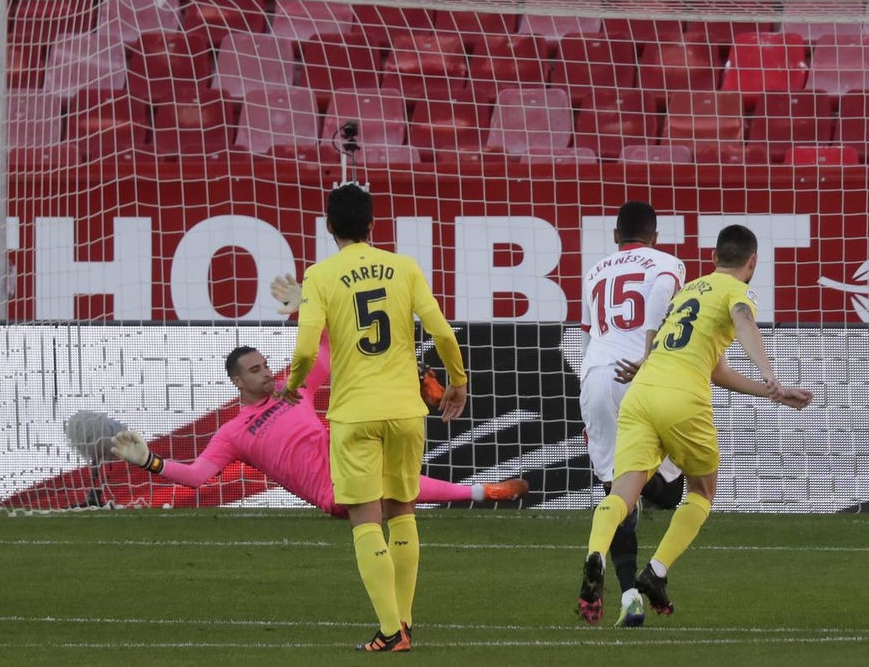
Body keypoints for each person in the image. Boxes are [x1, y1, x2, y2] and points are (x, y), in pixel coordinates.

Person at [109, 278, 526, 520]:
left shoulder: (294, 388)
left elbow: (327, 344)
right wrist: (151, 461)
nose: (267, 373)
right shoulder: (234, 432)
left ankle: (479, 491)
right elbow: (199, 475)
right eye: (255, 371)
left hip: (354, 456)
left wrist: (302, 305)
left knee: (373, 417)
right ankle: (473, 492)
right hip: (334, 492)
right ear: (237, 383)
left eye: (265, 365)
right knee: (389, 489)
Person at [576, 224, 813, 624]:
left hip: (641, 392)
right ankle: (656, 572)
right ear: (752, 261)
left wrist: (765, 391)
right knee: (702, 491)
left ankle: (596, 553)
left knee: (623, 491)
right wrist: (772, 375)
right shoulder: (736, 292)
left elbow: (716, 368)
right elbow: (743, 321)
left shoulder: (690, 290)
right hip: (682, 398)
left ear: (713, 259)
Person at [281, 183, 467, 652]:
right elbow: (441, 331)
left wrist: (291, 386)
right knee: (402, 509)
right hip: (406, 410)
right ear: (372, 226)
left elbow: (305, 348)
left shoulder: (320, 276)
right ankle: (404, 620)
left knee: (365, 519)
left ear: (328, 227)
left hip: (355, 414)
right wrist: (457, 381)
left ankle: (390, 630)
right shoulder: (403, 268)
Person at [578, 201, 687, 627]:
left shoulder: (595, 271)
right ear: (654, 236)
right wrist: (647, 353)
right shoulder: (668, 263)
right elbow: (661, 293)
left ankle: (626, 596)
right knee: (672, 491)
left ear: (615, 236)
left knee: (616, 492)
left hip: (596, 377)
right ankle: (641, 579)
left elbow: (588, 335)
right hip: (641, 376)